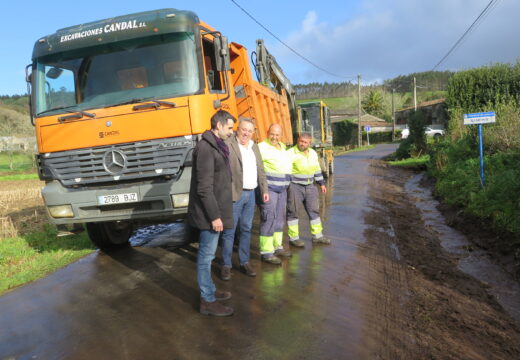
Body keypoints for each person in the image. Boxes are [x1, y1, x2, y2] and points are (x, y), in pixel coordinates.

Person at [187, 109, 236, 316]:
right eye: (230, 128)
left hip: (216, 211)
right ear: (219, 125)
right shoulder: (205, 148)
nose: (232, 132)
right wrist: (215, 217)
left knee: (208, 255)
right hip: (209, 216)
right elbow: (204, 188)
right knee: (206, 257)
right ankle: (207, 300)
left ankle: (211, 291)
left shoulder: (217, 145)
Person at [220, 118, 269, 280]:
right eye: (244, 129)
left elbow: (260, 169)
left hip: (251, 194)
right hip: (235, 194)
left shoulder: (254, 147)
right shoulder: (229, 144)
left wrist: (264, 189)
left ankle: (244, 261)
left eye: (249, 130)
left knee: (246, 228)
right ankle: (226, 265)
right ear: (237, 129)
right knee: (230, 230)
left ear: (253, 133)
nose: (246, 133)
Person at [286, 133, 331, 247]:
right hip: (295, 186)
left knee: (314, 211)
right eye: (301, 141)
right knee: (293, 212)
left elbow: (316, 169)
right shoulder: (290, 153)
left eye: (305, 142)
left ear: (309, 143)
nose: (302, 144)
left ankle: (318, 236)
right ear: (298, 140)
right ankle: (294, 238)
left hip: (310, 186)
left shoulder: (313, 153)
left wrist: (321, 183)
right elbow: (285, 171)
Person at [258, 124, 293, 264]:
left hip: (282, 190)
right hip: (270, 190)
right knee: (268, 218)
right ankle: (266, 252)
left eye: (277, 135)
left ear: (281, 135)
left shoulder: (283, 147)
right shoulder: (261, 147)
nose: (274, 137)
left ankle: (277, 246)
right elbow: (258, 170)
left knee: (279, 218)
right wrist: (263, 189)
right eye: (272, 134)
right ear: (268, 132)